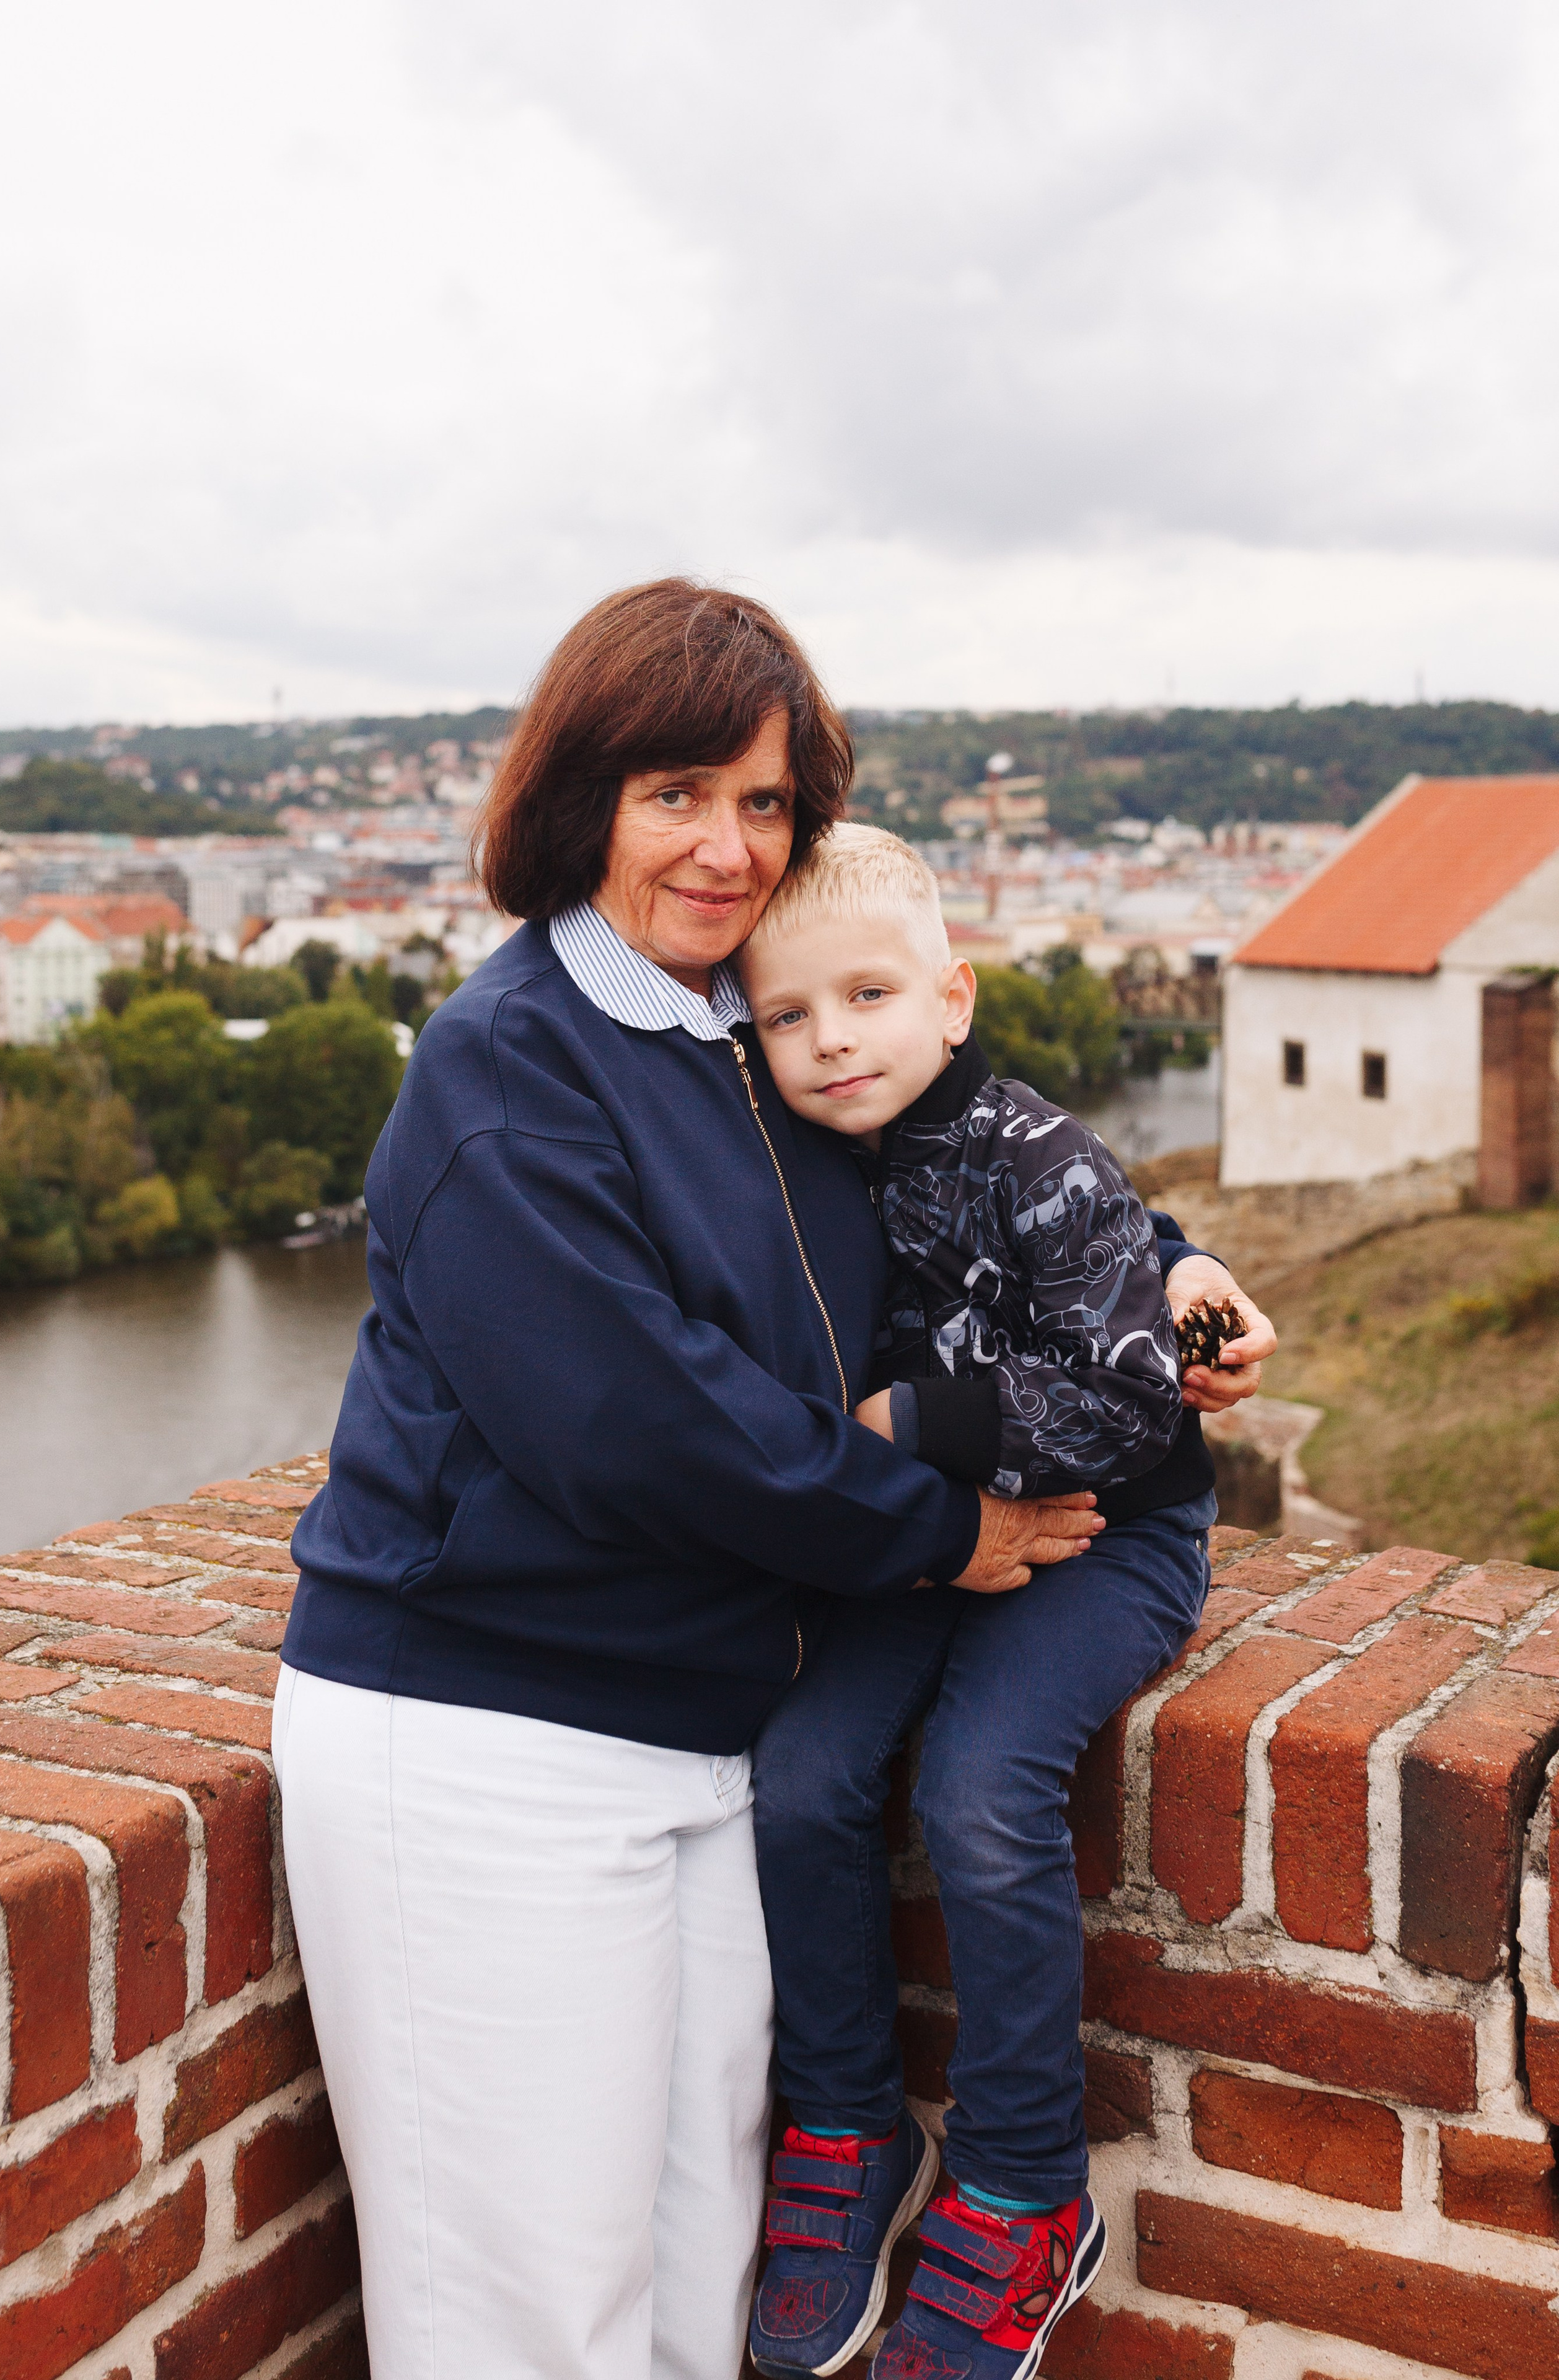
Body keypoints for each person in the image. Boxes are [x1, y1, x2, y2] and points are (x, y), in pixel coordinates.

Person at [271, 581, 1270, 2380]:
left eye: (766, 801)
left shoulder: (751, 1032)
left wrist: (1168, 1267)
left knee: (687, 2307)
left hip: (709, 1732)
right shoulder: (510, 1069)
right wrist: (948, 1527)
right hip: (494, 1736)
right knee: (525, 2327)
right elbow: (647, 1431)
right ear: (581, 799)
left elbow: (962, 1168)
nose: (728, 849)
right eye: (675, 793)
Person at [737, 826, 1275, 2380]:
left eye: (867, 996)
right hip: (924, 1546)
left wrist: (908, 1422)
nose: (830, 1040)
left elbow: (1128, 1392)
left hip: (1110, 1535)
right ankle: (848, 2124)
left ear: (951, 997)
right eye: (787, 1016)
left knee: (978, 1787)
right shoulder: (791, 1158)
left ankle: (1026, 2184)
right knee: (801, 1776)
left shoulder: (1035, 1151)